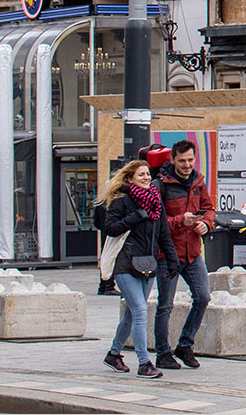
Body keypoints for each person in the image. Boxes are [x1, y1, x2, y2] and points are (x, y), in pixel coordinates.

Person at [96, 157, 179, 378]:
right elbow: (110, 229)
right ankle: (144, 363)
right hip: (125, 264)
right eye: (141, 174)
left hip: (148, 264)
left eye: (147, 174)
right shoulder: (121, 202)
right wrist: (133, 217)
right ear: (130, 178)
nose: (146, 178)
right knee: (141, 310)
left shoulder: (155, 202)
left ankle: (114, 354)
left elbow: (163, 234)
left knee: (133, 313)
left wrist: (172, 260)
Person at [154, 139, 215, 369]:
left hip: (193, 252)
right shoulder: (162, 185)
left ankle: (185, 345)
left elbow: (209, 208)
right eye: (182, 161)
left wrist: (206, 224)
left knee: (203, 297)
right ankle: (162, 353)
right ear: (173, 160)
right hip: (168, 254)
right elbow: (156, 222)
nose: (187, 165)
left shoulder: (198, 181)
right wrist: (182, 220)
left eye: (190, 160)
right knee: (165, 305)